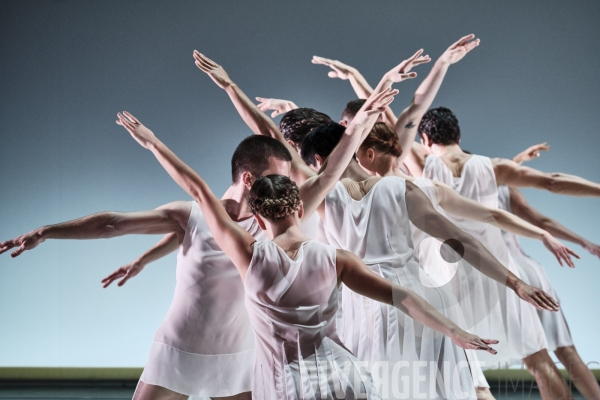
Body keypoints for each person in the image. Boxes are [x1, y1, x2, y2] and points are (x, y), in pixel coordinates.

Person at [114, 107, 501, 399]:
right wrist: (454, 330)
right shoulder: (336, 259)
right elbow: (403, 297)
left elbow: (198, 191)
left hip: (285, 386)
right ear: (301, 208)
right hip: (340, 378)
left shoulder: (251, 258)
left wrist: (151, 141)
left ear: (258, 219)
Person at [0, 135, 295, 400]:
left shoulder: (273, 223)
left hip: (238, 354)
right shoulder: (191, 214)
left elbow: (325, 178)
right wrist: (47, 231)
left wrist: (143, 259)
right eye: (276, 178)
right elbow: (113, 224)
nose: (283, 188)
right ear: (247, 178)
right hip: (179, 349)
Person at [300, 121, 560, 400]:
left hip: (366, 308)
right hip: (423, 300)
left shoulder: (319, 199)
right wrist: (516, 283)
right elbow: (461, 240)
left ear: (317, 161)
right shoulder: (401, 188)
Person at [493, 145, 600, 400]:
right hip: (529, 271)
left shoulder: (446, 185)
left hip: (505, 277)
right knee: (566, 350)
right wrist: (583, 241)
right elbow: (541, 221)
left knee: (536, 358)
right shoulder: (502, 186)